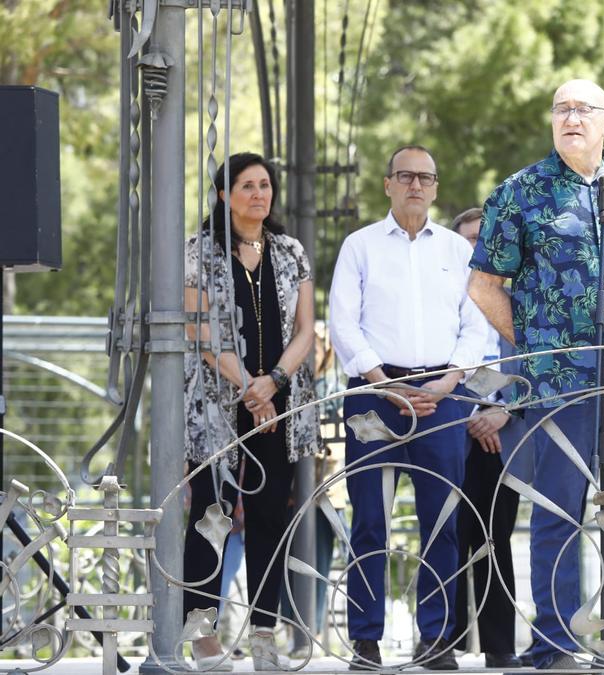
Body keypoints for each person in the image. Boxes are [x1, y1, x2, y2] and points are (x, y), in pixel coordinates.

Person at [468, 79, 604, 670]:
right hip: (559, 382)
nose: (571, 117)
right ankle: (557, 645)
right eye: (562, 108)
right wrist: (537, 345)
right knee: (560, 513)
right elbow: (482, 286)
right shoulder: (519, 192)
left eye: (583, 109)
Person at [329, 145, 488, 671]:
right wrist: (380, 380)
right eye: (405, 176)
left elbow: (476, 324)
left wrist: (448, 382)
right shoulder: (360, 246)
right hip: (374, 395)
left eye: (425, 177)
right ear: (387, 183)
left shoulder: (457, 250)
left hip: (442, 395)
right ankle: (366, 639)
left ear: (436, 187)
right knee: (370, 519)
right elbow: (343, 323)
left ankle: (437, 638)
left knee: (440, 520)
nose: (416, 185)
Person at [182, 152, 319, 672]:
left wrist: (274, 382)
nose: (259, 194)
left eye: (265, 185)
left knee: (268, 518)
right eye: (247, 185)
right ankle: (203, 634)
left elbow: (306, 328)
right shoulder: (199, 251)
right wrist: (248, 386)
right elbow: (197, 329)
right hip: (218, 403)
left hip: (277, 406)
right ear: (223, 195)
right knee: (210, 516)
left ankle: (264, 637)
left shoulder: (290, 251)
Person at [449, 207, 523, 669]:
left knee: (496, 538)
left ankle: (500, 645)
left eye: (482, 238)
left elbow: (532, 364)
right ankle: (445, 640)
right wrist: (472, 411)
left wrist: (501, 410)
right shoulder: (444, 297)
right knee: (446, 534)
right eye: (467, 240)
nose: (475, 248)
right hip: (451, 427)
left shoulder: (516, 300)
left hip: (503, 436)